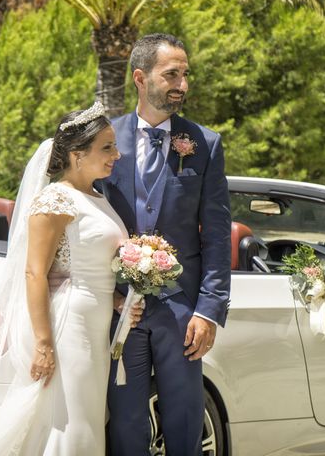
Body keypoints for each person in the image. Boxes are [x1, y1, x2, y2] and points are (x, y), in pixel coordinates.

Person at [0, 101, 141, 456]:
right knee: (71, 423)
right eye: (107, 147)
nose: (117, 154)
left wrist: (119, 301)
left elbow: (91, 263)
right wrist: (44, 344)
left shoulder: (98, 197)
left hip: (96, 324)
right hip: (69, 325)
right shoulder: (55, 200)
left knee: (85, 417)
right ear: (77, 155)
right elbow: (35, 272)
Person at [98, 34, 231, 456]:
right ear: (141, 77)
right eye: (171, 74)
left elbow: (215, 233)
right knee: (125, 424)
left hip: (182, 312)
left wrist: (209, 310)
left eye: (185, 74)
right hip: (121, 311)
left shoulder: (204, 144)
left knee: (185, 420)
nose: (182, 85)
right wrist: (109, 296)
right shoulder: (104, 140)